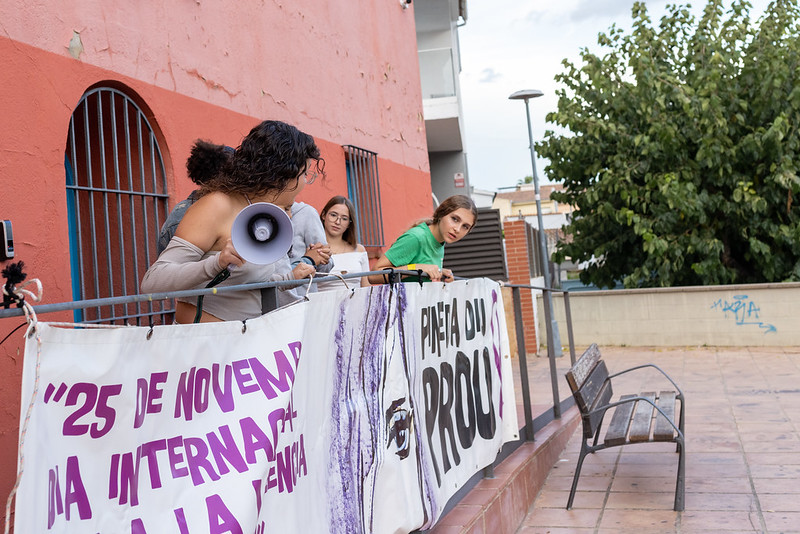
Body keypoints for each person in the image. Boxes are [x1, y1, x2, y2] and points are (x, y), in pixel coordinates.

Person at [141, 120, 324, 323]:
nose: (305, 181)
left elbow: (247, 280)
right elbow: (152, 282)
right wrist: (216, 263)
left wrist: (289, 279)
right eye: (305, 173)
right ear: (283, 173)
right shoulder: (217, 205)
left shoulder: (262, 213)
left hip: (248, 337)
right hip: (208, 339)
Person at [368, 195, 477, 284]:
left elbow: (421, 264)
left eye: (465, 226)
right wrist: (417, 268)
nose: (457, 229)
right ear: (442, 214)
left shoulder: (440, 241)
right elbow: (373, 276)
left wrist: (439, 273)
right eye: (455, 219)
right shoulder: (416, 237)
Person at [316, 196, 370, 291]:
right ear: (324, 215)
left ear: (349, 223)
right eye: (333, 215)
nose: (337, 222)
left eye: (344, 219)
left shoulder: (359, 250)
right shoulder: (315, 249)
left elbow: (367, 288)